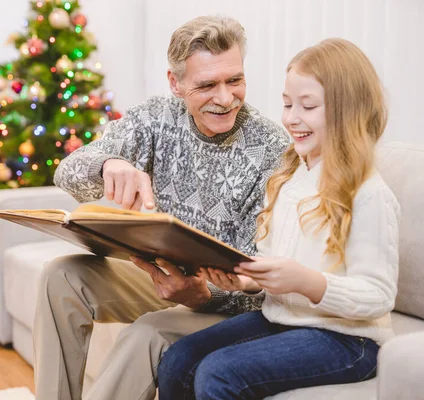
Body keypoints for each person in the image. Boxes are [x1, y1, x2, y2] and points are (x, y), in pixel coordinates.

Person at [33, 16, 290, 400]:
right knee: (61, 276)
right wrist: (108, 165)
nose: (225, 98)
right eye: (207, 85)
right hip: (161, 276)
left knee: (146, 332)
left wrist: (202, 295)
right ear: (176, 84)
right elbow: (67, 173)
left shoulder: (270, 148)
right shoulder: (156, 117)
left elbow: (258, 285)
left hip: (220, 302)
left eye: (234, 80)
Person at [157, 38, 400, 400]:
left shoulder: (368, 193)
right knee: (179, 358)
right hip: (282, 319)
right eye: (287, 104)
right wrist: (248, 280)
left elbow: (378, 296)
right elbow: (272, 263)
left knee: (219, 374)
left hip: (350, 340)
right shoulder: (289, 177)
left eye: (308, 106)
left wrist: (306, 281)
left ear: (347, 111)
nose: (291, 118)